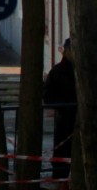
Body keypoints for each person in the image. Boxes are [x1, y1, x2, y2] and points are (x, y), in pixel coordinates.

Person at [43, 38, 76, 180]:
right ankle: (59, 176)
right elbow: (47, 94)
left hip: (78, 119)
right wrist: (60, 107)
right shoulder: (57, 72)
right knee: (62, 151)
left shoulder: (82, 70)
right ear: (66, 51)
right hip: (64, 119)